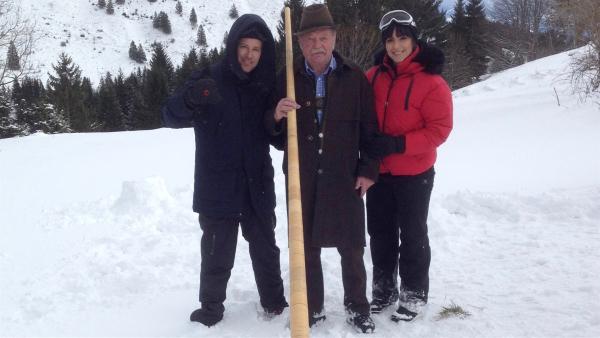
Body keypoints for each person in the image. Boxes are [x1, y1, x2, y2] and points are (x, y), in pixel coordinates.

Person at [161, 14, 288, 327]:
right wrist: (191, 98)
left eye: (256, 49)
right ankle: (211, 308)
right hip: (218, 184)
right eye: (244, 46)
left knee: (265, 247)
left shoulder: (264, 85)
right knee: (217, 251)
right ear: (233, 46)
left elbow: (278, 140)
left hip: (256, 181)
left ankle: (274, 302)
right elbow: (169, 115)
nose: (249, 54)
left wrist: (277, 119)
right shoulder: (209, 78)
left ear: (263, 53)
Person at [266, 4, 379, 334]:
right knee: (305, 248)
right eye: (310, 39)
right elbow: (272, 135)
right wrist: (275, 115)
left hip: (344, 174)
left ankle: (357, 307)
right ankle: (310, 307)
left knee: (352, 246)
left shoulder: (354, 77)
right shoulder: (287, 79)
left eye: (324, 37)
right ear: (299, 44)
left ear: (334, 39)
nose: (317, 44)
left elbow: (371, 130)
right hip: (301, 176)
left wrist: (368, 170)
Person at [364, 9, 453, 322]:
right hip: (379, 172)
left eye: (402, 38)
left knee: (412, 234)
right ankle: (384, 288)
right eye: (389, 40)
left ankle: (414, 293)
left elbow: (439, 129)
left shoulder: (432, 82)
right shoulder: (373, 76)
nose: (396, 46)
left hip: (415, 173)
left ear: (414, 40)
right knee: (380, 233)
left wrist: (399, 144)